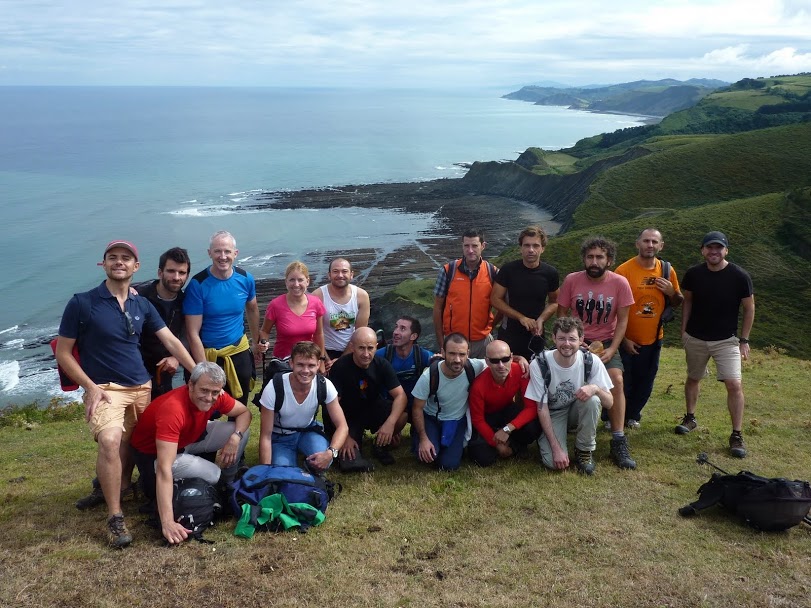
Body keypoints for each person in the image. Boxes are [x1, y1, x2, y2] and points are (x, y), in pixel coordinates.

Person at [55, 240, 196, 547]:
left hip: (142, 387)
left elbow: (171, 341)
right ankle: (115, 517)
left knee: (137, 446)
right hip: (105, 389)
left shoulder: (140, 304)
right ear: (102, 264)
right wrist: (90, 387)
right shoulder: (82, 302)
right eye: (113, 258)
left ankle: (124, 489)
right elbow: (64, 353)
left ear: (135, 267)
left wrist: (196, 372)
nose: (119, 262)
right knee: (109, 440)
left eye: (126, 258)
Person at [130, 362, 251, 545]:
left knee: (241, 431)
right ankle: (219, 484)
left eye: (215, 392)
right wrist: (168, 522)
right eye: (204, 391)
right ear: (190, 385)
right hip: (154, 457)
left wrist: (235, 438)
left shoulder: (216, 395)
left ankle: (228, 484)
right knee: (213, 473)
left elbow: (244, 413)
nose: (209, 397)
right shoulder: (173, 409)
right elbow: (164, 468)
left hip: (186, 440)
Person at [557, 236, 636, 470]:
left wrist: (613, 348)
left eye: (599, 257)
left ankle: (618, 438)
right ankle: (567, 424)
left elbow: (623, 321)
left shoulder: (620, 283)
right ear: (583, 258)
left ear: (609, 260)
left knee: (616, 379)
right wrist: (572, 341)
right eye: (590, 257)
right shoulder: (572, 280)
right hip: (576, 339)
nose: (594, 261)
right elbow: (562, 313)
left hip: (606, 340)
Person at [676, 231, 755, 458]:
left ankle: (736, 434)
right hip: (696, 338)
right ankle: (690, 418)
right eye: (709, 247)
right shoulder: (693, 274)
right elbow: (687, 302)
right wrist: (684, 332)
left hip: (726, 340)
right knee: (693, 378)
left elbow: (749, 308)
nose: (714, 252)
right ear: (702, 250)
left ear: (726, 251)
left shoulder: (740, 276)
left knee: (734, 384)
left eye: (718, 248)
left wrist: (744, 340)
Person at [525, 317, 614, 475]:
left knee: (593, 400)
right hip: (553, 412)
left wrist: (595, 388)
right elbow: (542, 408)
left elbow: (609, 403)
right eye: (561, 338)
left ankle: (584, 450)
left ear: (581, 340)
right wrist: (556, 448)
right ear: (553, 338)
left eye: (572, 339)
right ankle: (547, 439)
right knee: (553, 462)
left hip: (576, 407)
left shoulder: (591, 361)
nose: (566, 344)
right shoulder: (540, 363)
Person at [616, 229, 683, 427]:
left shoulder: (667, 270)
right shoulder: (623, 271)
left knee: (645, 380)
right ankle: (612, 417)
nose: (650, 245)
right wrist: (623, 339)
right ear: (637, 244)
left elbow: (678, 301)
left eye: (655, 242)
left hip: (654, 337)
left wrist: (672, 292)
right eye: (646, 241)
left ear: (661, 246)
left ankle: (633, 415)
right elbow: (613, 309)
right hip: (626, 338)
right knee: (622, 380)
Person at [184, 231, 260, 401]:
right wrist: (203, 369)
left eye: (227, 251)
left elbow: (253, 308)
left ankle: (239, 430)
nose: (223, 256)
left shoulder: (246, 279)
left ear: (235, 253)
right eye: (217, 251)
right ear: (209, 253)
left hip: (238, 351)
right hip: (209, 355)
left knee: (240, 404)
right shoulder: (198, 284)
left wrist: (256, 341)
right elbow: (192, 332)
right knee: (207, 410)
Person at [258, 341, 349, 471]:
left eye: (311, 365)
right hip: (280, 436)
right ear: (291, 364)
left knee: (324, 463)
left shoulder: (325, 385)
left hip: (307, 431)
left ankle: (306, 461)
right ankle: (294, 463)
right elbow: (265, 436)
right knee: (283, 474)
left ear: (318, 365)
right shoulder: (274, 387)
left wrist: (330, 453)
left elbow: (342, 426)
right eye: (300, 365)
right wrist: (265, 473)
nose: (305, 371)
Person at [326, 327, 408, 469]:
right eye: (361, 348)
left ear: (376, 347)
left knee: (402, 415)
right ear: (352, 347)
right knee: (349, 463)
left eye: (370, 348)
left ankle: (380, 445)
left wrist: (390, 424)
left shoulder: (381, 364)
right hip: (347, 416)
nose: (366, 354)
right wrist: (344, 436)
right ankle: (354, 439)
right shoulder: (340, 367)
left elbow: (401, 395)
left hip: (372, 409)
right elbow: (332, 405)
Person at [411, 333, 488, 471]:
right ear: (442, 352)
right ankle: (418, 435)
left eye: (462, 354)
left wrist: (519, 358)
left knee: (448, 466)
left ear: (468, 354)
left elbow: (498, 360)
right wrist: (423, 439)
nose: (457, 359)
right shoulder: (429, 376)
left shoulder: (474, 366)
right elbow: (417, 408)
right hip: (431, 418)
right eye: (452, 354)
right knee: (429, 457)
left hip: (456, 421)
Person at [467, 340, 541, 467]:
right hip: (487, 417)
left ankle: (514, 444)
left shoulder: (521, 371)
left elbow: (531, 408)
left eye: (505, 359)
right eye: (495, 361)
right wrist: (497, 444)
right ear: (487, 361)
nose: (501, 365)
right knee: (482, 458)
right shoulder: (478, 386)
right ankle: (509, 446)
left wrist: (507, 429)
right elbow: (477, 419)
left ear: (512, 357)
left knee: (533, 427)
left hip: (506, 411)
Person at [491, 225, 559, 359]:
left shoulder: (550, 273)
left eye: (536, 246)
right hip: (509, 334)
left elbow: (554, 302)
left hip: (536, 334)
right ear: (521, 248)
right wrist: (521, 317)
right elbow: (495, 299)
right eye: (527, 245)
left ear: (542, 249)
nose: (531, 250)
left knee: (534, 375)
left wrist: (541, 319)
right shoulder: (508, 270)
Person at [134, 247, 192, 398]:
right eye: (171, 271)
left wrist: (176, 357)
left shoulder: (186, 301)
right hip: (136, 368)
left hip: (167, 368)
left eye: (182, 273)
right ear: (160, 272)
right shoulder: (138, 295)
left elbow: (188, 333)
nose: (176, 277)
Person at [432, 228, 499, 358]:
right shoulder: (448, 271)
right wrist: (442, 345)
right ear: (462, 246)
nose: (470, 250)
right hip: (453, 342)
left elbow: (502, 305)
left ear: (483, 246)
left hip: (482, 342)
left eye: (474, 246)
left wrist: (490, 326)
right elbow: (437, 308)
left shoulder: (493, 272)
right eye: (466, 246)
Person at [258, 261, 326, 362]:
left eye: (300, 280)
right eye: (292, 280)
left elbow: (319, 334)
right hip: (283, 360)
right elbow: (264, 331)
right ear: (286, 282)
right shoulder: (275, 305)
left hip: (308, 360)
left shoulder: (316, 303)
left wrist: (321, 360)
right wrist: (263, 343)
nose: (296, 284)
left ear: (307, 281)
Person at [314, 258, 370, 369]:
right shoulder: (318, 296)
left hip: (352, 349)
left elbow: (360, 333)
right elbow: (315, 333)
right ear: (329, 275)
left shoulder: (361, 296)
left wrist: (342, 360)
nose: (340, 275)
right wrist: (324, 359)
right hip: (325, 350)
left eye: (344, 271)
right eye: (335, 271)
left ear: (351, 274)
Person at [377, 316, 434, 406]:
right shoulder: (382, 354)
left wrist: (439, 361)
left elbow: (441, 365)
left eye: (402, 329)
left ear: (413, 336)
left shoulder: (421, 355)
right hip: (389, 403)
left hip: (414, 403)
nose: (395, 332)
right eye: (396, 327)